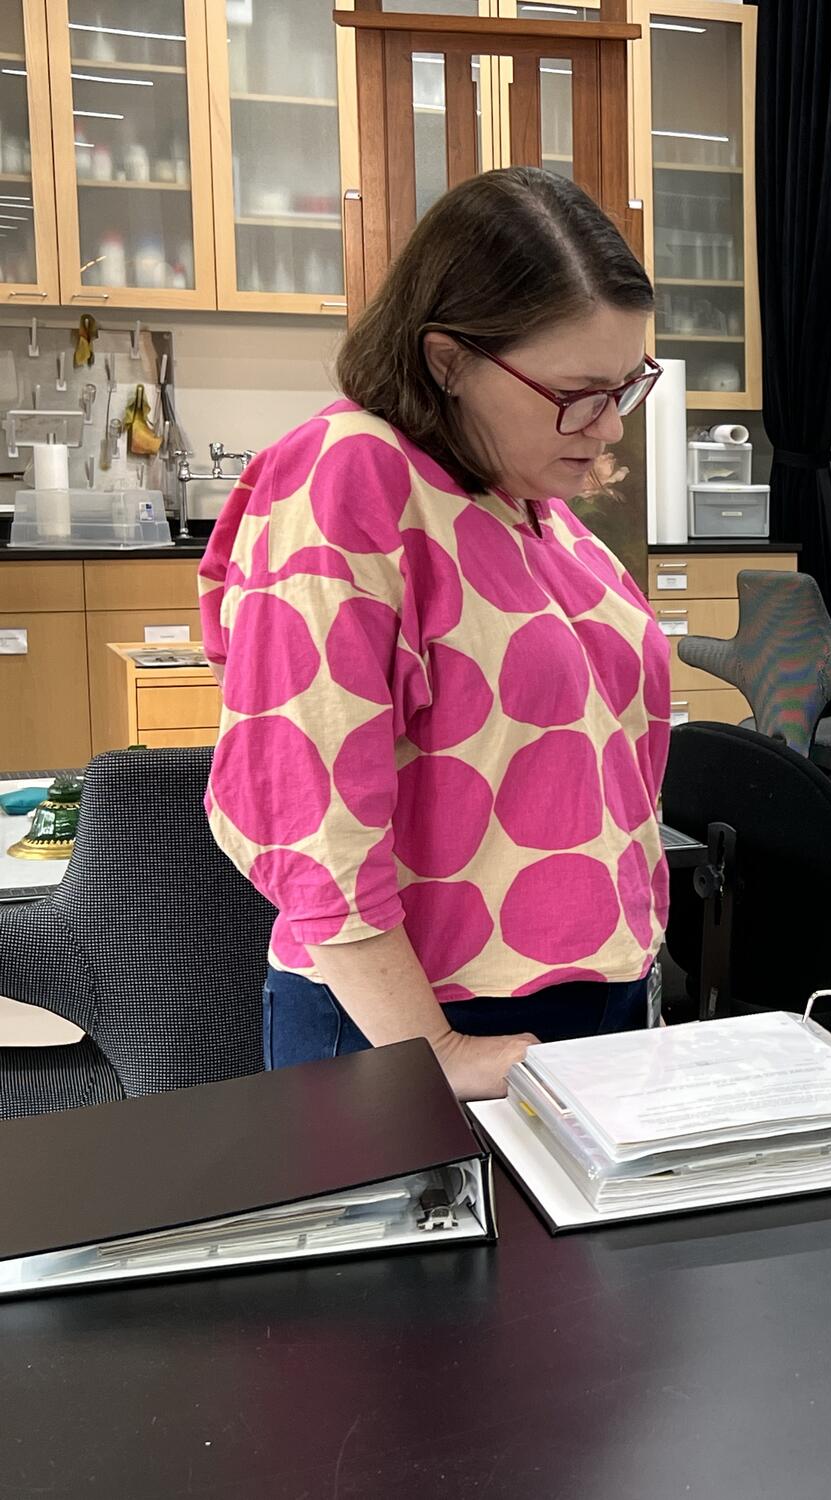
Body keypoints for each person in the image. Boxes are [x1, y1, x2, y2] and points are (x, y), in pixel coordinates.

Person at [200, 168, 673, 1100]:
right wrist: (438, 1053)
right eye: (580, 392)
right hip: (417, 1025)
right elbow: (300, 802)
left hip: (578, 1002)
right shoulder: (351, 474)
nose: (609, 425)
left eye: (626, 387)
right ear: (448, 359)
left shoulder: (525, 498)